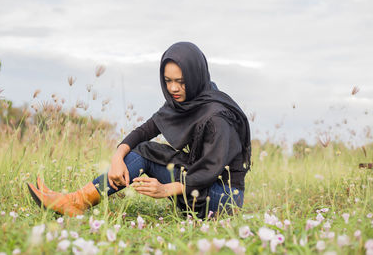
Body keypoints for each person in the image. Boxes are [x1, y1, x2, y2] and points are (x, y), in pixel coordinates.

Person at [27, 42, 251, 219]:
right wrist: (118, 155)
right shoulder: (188, 99)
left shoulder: (217, 116)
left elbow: (208, 172)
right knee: (144, 149)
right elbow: (146, 130)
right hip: (196, 183)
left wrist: (166, 189)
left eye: (181, 81)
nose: (173, 88)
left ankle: (76, 202)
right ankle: (77, 200)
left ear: (195, 77)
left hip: (222, 198)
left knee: (148, 153)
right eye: (168, 81)